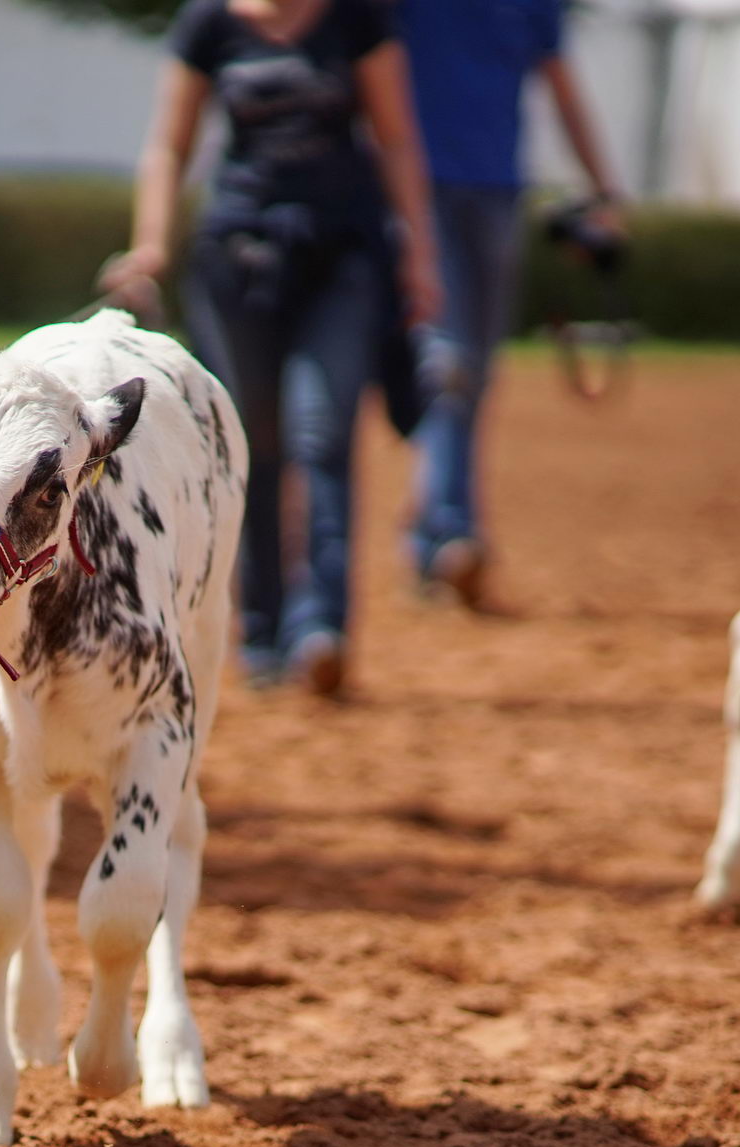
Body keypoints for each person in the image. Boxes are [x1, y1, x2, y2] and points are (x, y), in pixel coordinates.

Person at [103, 0, 440, 697]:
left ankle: (322, 628)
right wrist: (152, 243)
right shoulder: (208, 25)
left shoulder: (356, 19)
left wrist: (420, 255)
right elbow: (170, 144)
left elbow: (397, 137)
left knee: (323, 432)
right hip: (239, 258)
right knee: (251, 442)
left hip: (343, 257)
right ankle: (261, 630)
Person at [399, 0, 624, 607]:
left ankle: (434, 535)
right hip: (418, 187)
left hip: (499, 190)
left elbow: (561, 86)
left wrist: (603, 190)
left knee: (475, 370)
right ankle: (451, 534)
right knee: (449, 365)